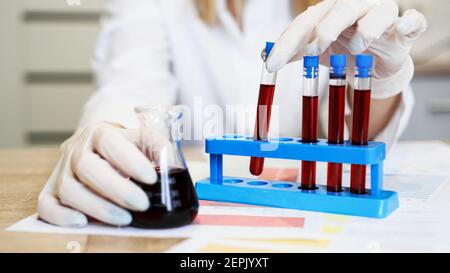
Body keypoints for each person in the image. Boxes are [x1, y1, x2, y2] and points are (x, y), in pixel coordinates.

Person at [37, 0, 427, 227]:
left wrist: (381, 79)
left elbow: (346, 128)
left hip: (317, 214)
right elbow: (129, 85)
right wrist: (106, 132)